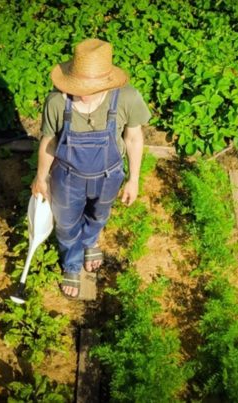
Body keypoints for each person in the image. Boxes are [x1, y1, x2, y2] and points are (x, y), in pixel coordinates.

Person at [31, 38, 151, 298]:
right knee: (65, 222)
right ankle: (72, 262)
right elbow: (49, 142)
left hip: (109, 176)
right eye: (73, 84)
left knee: (99, 214)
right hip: (66, 177)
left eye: (83, 87)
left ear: (103, 84)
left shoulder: (127, 98)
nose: (75, 91)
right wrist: (41, 177)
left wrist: (134, 179)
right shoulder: (56, 102)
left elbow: (134, 138)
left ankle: (90, 240)